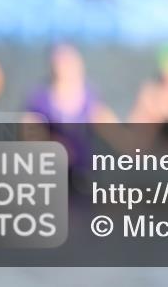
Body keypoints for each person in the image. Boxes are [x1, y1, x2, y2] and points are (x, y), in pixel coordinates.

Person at [23, 43, 117, 185]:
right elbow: (29, 136)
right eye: (62, 62)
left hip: (86, 177)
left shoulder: (91, 99)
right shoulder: (39, 101)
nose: (67, 67)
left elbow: (119, 138)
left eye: (70, 62)